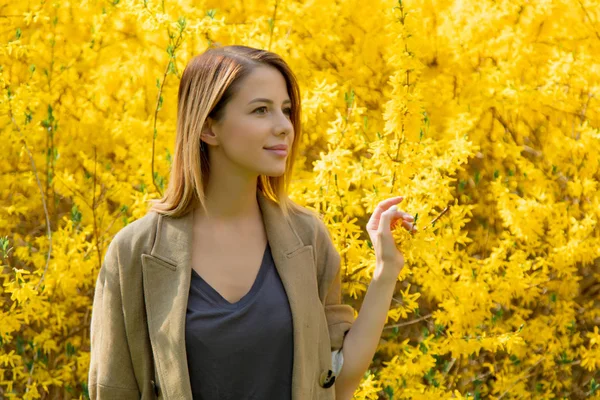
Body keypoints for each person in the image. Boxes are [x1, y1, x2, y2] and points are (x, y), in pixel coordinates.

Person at [88, 45, 416, 400]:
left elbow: (337, 379)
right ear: (209, 128)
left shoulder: (306, 238)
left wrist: (386, 270)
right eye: (261, 110)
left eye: (286, 111)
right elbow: (113, 389)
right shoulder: (135, 252)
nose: (284, 127)